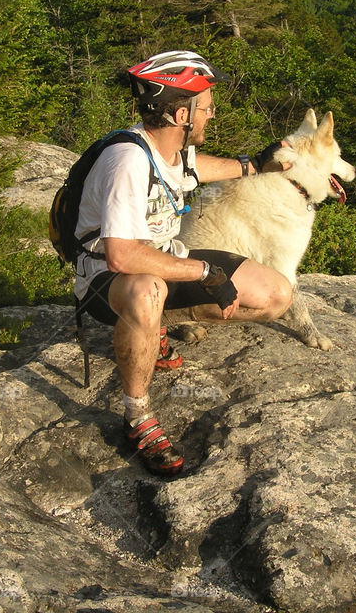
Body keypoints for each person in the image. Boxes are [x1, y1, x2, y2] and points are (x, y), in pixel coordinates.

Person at [74, 50, 293, 476]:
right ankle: (136, 416)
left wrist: (252, 165)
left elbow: (193, 169)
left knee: (275, 295)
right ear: (180, 115)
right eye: (207, 109)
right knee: (146, 289)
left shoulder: (167, 149)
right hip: (108, 280)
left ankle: (156, 327)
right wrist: (207, 273)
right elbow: (121, 255)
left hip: (162, 261)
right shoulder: (128, 162)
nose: (212, 115)